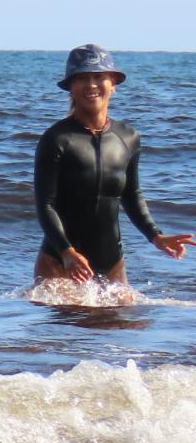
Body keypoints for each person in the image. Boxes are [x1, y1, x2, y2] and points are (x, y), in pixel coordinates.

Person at [34, 43, 190, 292]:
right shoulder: (56, 139)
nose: (91, 85)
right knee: (66, 318)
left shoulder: (128, 137)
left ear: (113, 83)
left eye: (99, 77)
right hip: (60, 263)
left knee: (130, 316)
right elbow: (46, 205)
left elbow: (132, 195)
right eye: (82, 78)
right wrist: (66, 252)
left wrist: (156, 236)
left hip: (113, 265)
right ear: (71, 87)